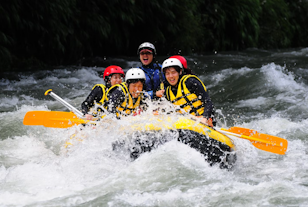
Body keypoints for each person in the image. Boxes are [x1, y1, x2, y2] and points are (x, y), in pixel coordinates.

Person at [156, 58, 215, 127]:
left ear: (180, 72)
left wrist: (204, 119)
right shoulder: (167, 92)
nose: (171, 76)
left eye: (173, 72)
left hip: (204, 120)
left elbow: (208, 102)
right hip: (187, 124)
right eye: (167, 73)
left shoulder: (190, 82)